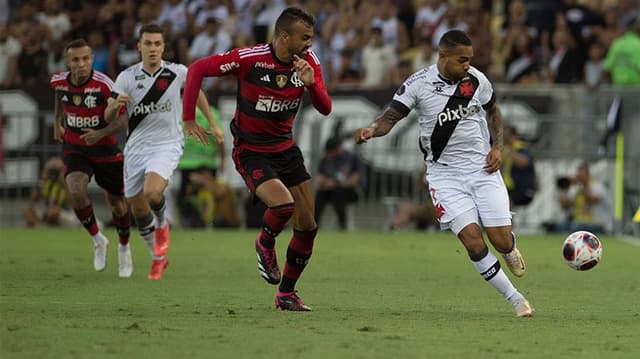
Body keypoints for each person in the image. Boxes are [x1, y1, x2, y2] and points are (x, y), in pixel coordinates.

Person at [354, 30, 534, 318]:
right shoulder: (418, 83)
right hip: (444, 176)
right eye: (462, 60)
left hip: (482, 169)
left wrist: (498, 148)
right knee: (473, 240)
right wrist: (372, 130)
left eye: (470, 59)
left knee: (499, 240)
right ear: (443, 57)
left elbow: (494, 112)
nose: (467, 65)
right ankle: (516, 299)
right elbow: (391, 117)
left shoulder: (476, 79)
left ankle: (510, 247)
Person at [182, 7, 332, 311]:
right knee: (283, 205)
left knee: (307, 226)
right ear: (284, 36)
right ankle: (264, 242)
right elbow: (197, 69)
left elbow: (325, 108)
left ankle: (286, 294)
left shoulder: (309, 62)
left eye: (311, 39)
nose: (309, 45)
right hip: (251, 150)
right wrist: (188, 119)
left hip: (286, 148)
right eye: (304, 38)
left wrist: (311, 84)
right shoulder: (250, 58)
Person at [105, 24, 223, 280]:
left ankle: (162, 223)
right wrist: (115, 106)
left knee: (153, 192)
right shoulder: (126, 77)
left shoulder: (177, 72)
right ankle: (158, 257)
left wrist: (212, 124)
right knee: (136, 209)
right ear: (139, 46)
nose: (153, 48)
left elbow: (197, 92)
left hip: (167, 144)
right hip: (136, 147)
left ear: (163, 47)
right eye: (147, 43)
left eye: (157, 44)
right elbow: (107, 113)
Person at [49, 39, 132, 278]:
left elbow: (123, 120)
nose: (81, 64)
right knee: (75, 189)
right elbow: (59, 96)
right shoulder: (59, 81)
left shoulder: (106, 85)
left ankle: (124, 247)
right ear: (68, 62)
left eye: (85, 59)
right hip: (76, 149)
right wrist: (57, 122)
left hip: (106, 150)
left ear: (92, 59)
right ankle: (98, 240)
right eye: (75, 60)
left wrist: (101, 133)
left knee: (117, 203)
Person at [177, 105, 226, 228]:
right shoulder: (212, 113)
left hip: (186, 162)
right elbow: (219, 137)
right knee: (210, 194)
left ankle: (187, 222)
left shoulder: (183, 111)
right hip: (208, 161)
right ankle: (208, 221)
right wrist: (222, 159)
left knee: (186, 195)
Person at [314, 137, 362, 231]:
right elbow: (319, 180)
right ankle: (314, 225)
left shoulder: (351, 158)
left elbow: (355, 180)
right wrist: (326, 183)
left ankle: (343, 226)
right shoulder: (325, 160)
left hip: (349, 191)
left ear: (338, 148)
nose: (330, 155)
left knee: (338, 193)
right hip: (330, 190)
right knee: (320, 194)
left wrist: (335, 183)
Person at [554, 162, 612, 234]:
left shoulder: (597, 186)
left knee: (576, 226)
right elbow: (564, 206)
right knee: (560, 226)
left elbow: (591, 199)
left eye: (581, 174)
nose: (579, 177)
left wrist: (581, 186)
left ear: (587, 174)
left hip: (599, 223)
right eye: (578, 174)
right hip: (581, 222)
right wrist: (564, 188)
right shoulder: (577, 189)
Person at [23, 156, 77, 228]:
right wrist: (42, 181)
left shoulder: (69, 182)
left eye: (57, 170)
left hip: (66, 213)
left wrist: (64, 185)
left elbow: (72, 204)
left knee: (53, 212)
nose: (53, 174)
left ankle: (43, 227)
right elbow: (33, 200)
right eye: (50, 170)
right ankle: (40, 228)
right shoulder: (46, 183)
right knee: (27, 210)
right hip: (47, 212)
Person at [502, 125, 536, 208]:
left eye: (507, 137)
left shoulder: (521, 148)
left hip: (523, 189)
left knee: (505, 199)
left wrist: (509, 152)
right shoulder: (504, 150)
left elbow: (524, 162)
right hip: (510, 187)